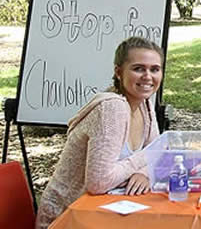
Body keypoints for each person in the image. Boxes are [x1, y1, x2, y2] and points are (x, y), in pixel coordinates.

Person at [36, 37, 163, 228]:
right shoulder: (112, 109)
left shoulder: (145, 104)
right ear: (118, 72)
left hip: (108, 210)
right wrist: (145, 157)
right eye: (138, 68)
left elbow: (158, 155)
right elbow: (99, 182)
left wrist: (144, 173)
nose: (148, 76)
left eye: (154, 69)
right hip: (67, 218)